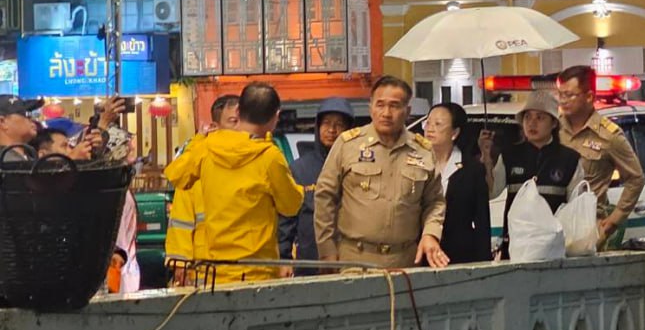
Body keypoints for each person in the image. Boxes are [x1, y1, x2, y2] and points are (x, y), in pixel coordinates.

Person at [165, 83, 303, 282]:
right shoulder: (269, 157)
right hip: (258, 272)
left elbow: (177, 175)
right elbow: (291, 206)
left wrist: (199, 140)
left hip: (213, 271)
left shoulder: (207, 147)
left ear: (238, 111)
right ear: (275, 118)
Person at [313, 75, 449, 269]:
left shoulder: (423, 151)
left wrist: (431, 234)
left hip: (405, 261)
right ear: (370, 108)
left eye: (394, 106)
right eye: (380, 105)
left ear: (407, 111)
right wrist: (327, 252)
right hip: (354, 259)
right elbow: (325, 198)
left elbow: (434, 202)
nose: (386, 113)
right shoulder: (348, 144)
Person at [488, 89, 584, 259]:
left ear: (554, 123)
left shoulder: (569, 159)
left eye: (540, 118)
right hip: (515, 249)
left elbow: (575, 208)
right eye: (527, 117)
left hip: (553, 250)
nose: (532, 123)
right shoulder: (510, 155)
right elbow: (491, 192)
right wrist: (486, 158)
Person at [556, 65, 645, 248]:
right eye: (560, 94)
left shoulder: (608, 135)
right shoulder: (553, 130)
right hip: (554, 224)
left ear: (589, 97)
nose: (563, 101)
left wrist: (614, 219)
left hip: (588, 226)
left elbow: (635, 178)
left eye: (569, 95)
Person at [278, 96, 355, 272]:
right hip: (309, 262)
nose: (332, 130)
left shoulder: (359, 166)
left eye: (339, 124)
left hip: (349, 260)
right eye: (326, 123)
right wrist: (284, 258)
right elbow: (287, 219)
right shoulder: (300, 168)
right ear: (317, 126)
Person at [165, 95, 238, 273]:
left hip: (244, 269)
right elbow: (181, 223)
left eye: (242, 121)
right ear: (214, 127)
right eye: (233, 121)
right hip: (205, 272)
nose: (239, 128)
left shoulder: (255, 159)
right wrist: (179, 266)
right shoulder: (195, 167)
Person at [425, 101, 493, 263]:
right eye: (427, 123)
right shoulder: (415, 163)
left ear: (454, 133)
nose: (430, 128)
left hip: (459, 254)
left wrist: (484, 261)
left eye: (438, 124)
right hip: (422, 251)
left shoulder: (472, 169)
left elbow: (482, 220)